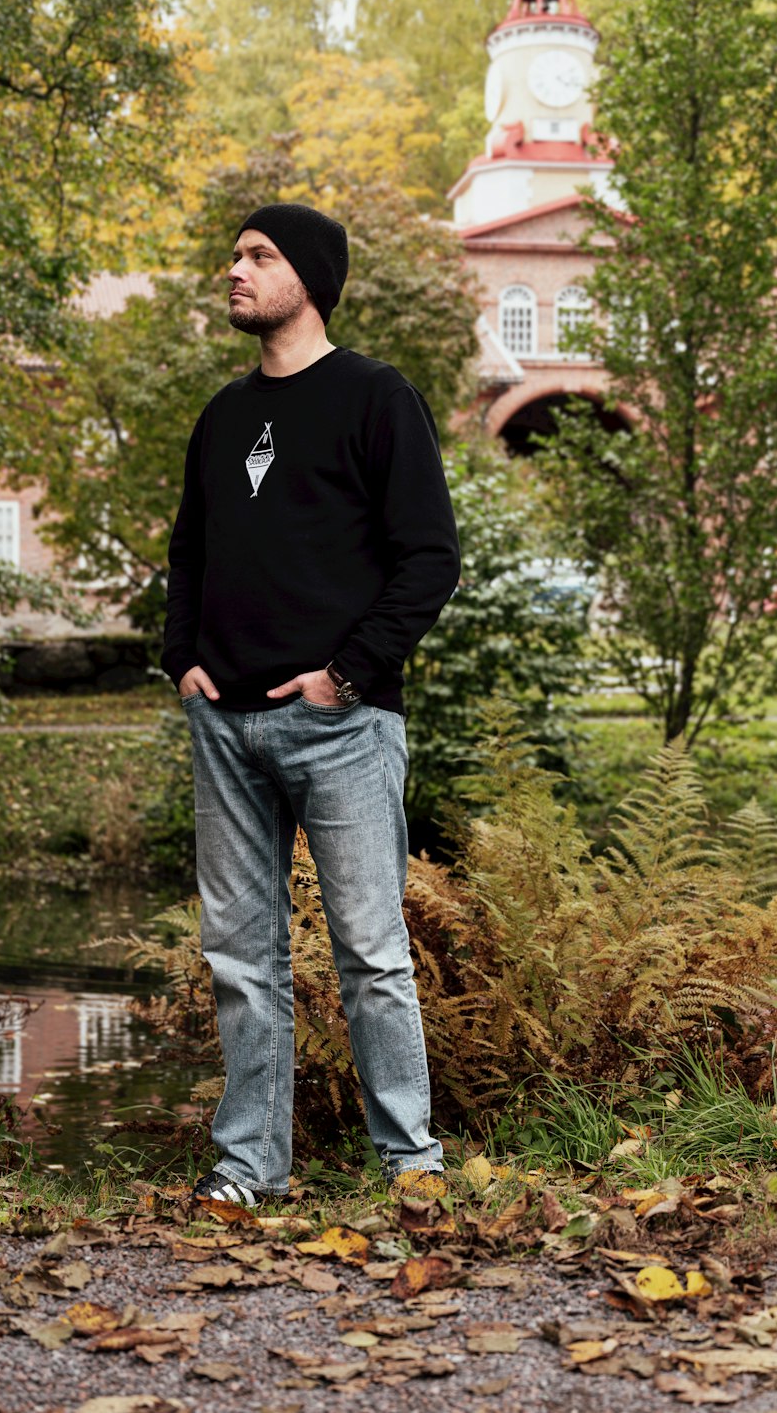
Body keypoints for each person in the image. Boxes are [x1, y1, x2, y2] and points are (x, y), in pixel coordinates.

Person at [161, 202, 460, 1207]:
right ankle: (250, 1170)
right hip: (226, 724)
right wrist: (184, 662)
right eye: (235, 255)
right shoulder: (222, 416)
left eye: (257, 256)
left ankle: (410, 1170)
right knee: (241, 958)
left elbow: (429, 558)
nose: (234, 270)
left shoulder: (377, 399)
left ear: (311, 277)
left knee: (372, 955)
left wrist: (348, 675)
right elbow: (190, 554)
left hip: (342, 725)